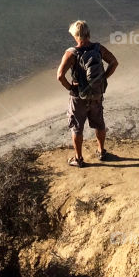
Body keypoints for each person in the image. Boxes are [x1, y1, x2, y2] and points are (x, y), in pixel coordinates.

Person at [56, 20, 118, 167]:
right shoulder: (98, 48)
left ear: (76, 36)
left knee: (77, 127)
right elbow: (114, 62)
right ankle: (101, 151)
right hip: (96, 94)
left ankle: (79, 159)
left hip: (78, 96)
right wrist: (102, 79)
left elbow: (60, 76)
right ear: (88, 33)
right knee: (99, 124)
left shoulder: (71, 53)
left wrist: (70, 88)